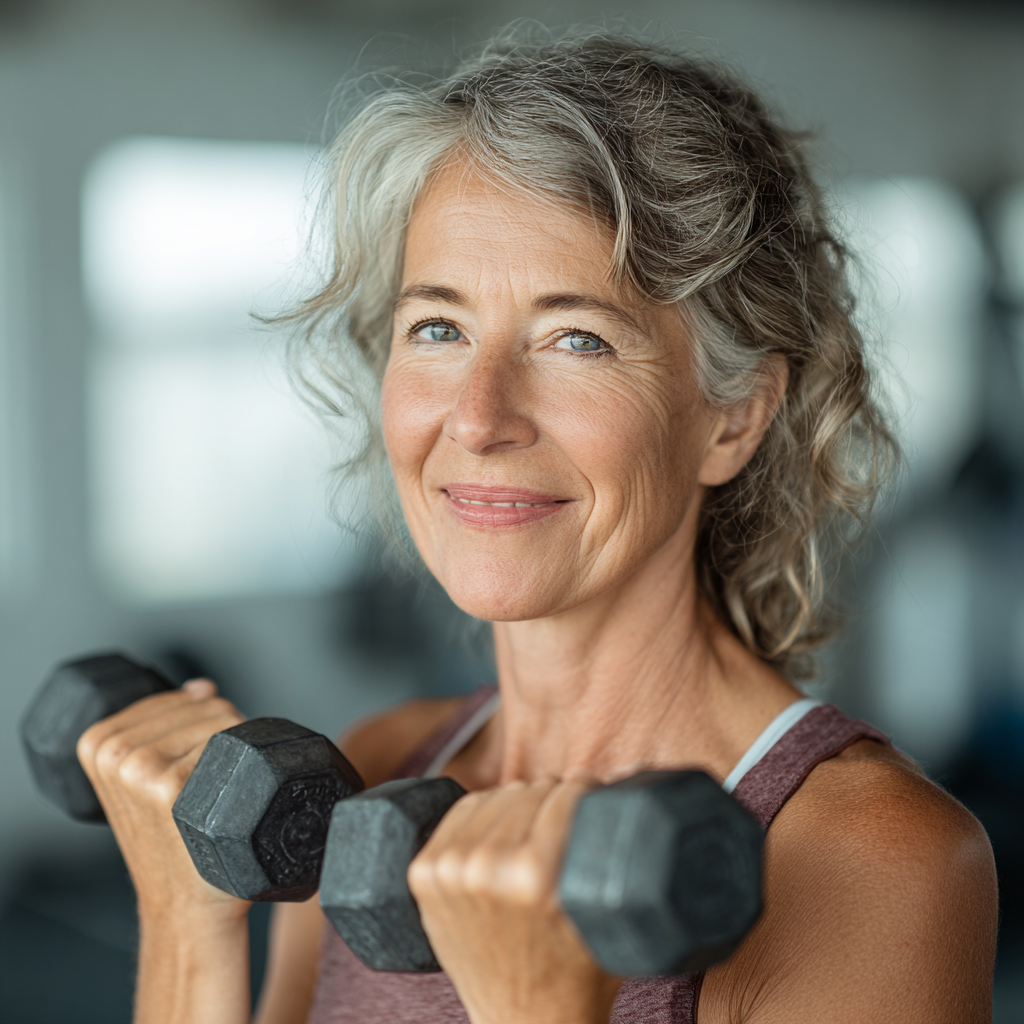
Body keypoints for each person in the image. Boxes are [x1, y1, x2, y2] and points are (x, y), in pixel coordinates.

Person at [76, 34, 998, 1024]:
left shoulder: (868, 857)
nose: (477, 416)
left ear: (731, 417)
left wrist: (537, 1003)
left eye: (576, 338)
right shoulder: (377, 769)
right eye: (438, 327)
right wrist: (184, 913)